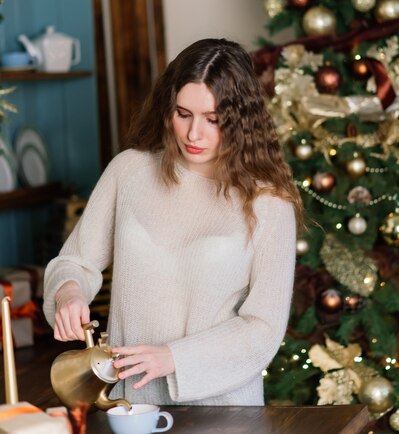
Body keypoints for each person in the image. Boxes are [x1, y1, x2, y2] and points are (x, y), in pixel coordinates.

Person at [43, 37, 303, 407]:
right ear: (168, 109)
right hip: (129, 404)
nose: (194, 134)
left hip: (224, 411)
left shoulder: (268, 202)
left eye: (213, 120)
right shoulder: (128, 171)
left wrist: (174, 357)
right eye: (184, 114)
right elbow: (74, 262)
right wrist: (68, 290)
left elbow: (263, 329)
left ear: (242, 121)